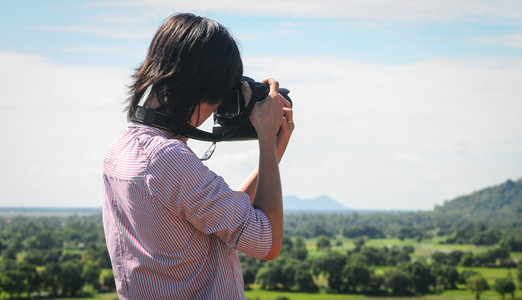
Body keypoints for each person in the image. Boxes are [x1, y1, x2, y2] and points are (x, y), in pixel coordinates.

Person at [102, 13, 294, 299]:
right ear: (205, 84)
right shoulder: (168, 158)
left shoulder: (122, 148)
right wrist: (265, 139)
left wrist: (273, 154)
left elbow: (218, 216)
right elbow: (268, 243)